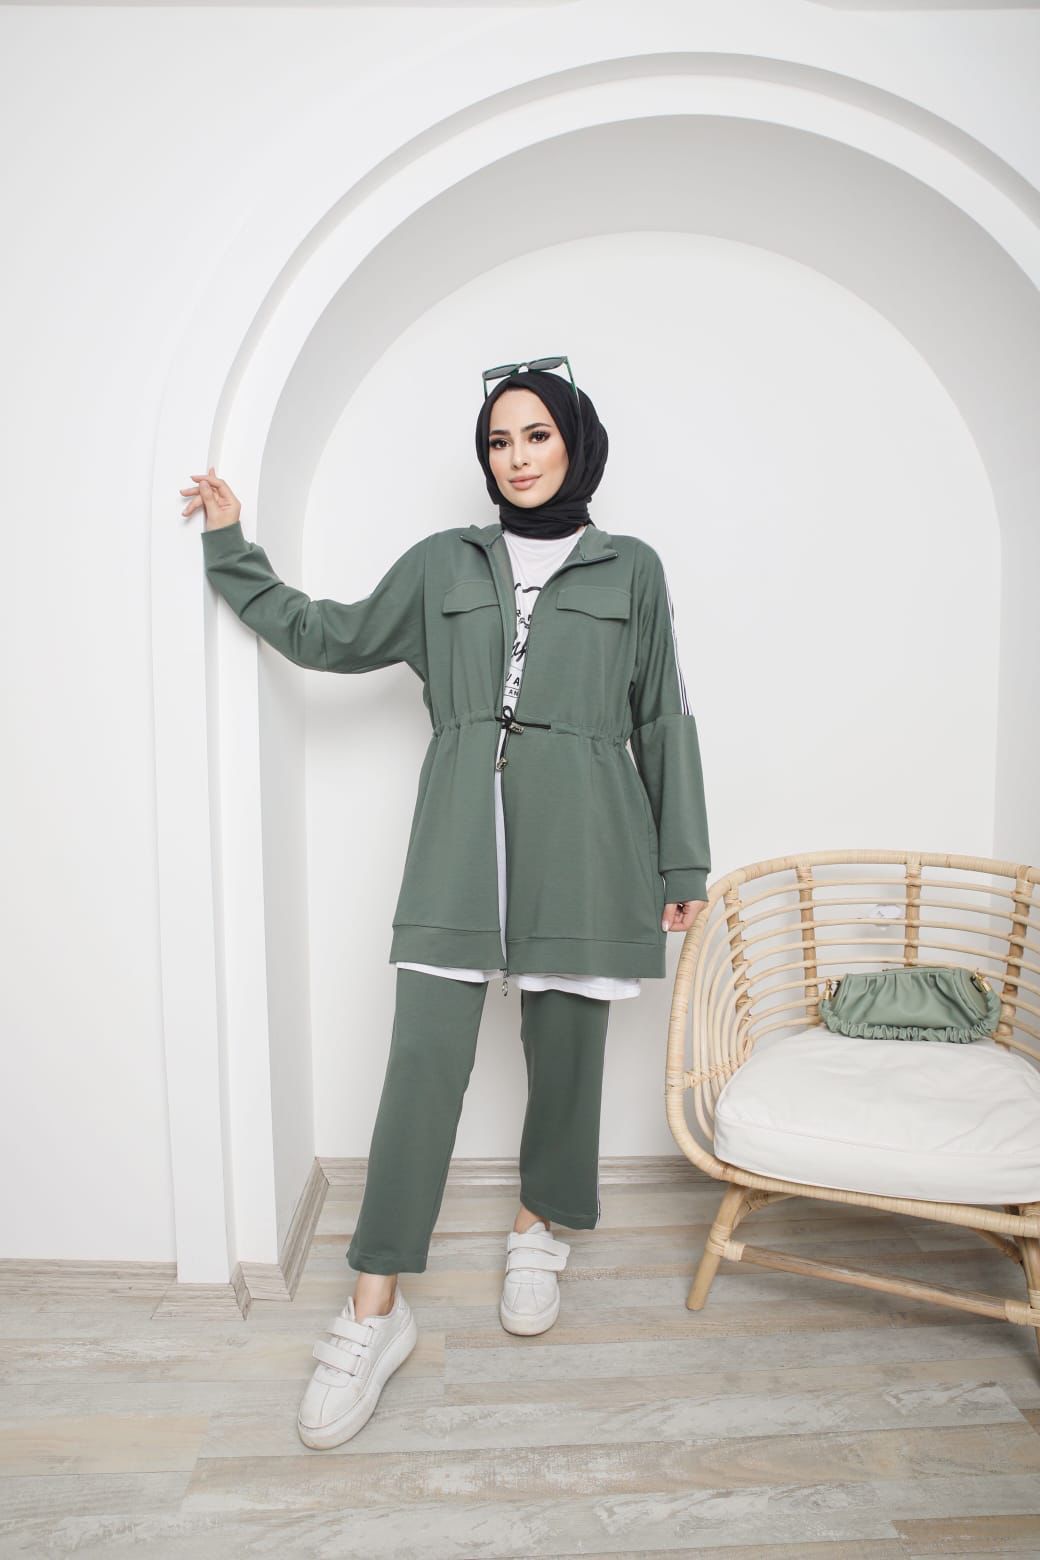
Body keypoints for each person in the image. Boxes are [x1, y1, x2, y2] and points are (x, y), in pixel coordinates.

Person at [181, 359, 711, 1450]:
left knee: (566, 1058)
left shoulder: (632, 567)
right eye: (498, 441)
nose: (516, 458)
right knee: (421, 1068)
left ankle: (538, 1225)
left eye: (536, 435)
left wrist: (681, 867)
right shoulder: (442, 564)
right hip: (459, 842)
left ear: (575, 441)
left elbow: (662, 716)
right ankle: (375, 1303)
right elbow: (328, 635)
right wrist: (232, 548)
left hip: (587, 842)